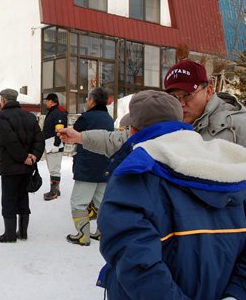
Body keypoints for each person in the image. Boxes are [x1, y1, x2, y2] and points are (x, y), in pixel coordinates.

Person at [96, 90, 246, 299]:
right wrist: (236, 293)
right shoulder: (229, 166)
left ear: (133, 130)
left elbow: (136, 262)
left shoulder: (135, 173)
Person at [58, 59, 246, 155]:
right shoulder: (168, 121)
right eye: (174, 97)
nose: (181, 103)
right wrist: (80, 137)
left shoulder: (237, 126)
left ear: (209, 90)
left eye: (187, 95)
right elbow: (121, 140)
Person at [0, 88, 45, 243]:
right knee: (23, 197)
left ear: (3, 100)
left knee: (9, 199)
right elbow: (39, 138)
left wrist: (23, 157)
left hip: (11, 166)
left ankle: (9, 235)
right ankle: (22, 233)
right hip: (27, 167)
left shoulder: (1, 117)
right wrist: (33, 155)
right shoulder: (30, 116)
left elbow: (9, 141)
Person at [67, 87, 114, 246]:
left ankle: (82, 235)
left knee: (78, 202)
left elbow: (73, 135)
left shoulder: (86, 118)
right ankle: (102, 233)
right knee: (101, 202)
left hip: (87, 166)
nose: (86, 102)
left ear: (92, 101)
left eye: (87, 99)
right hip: (105, 167)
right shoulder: (109, 118)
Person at [42, 93, 68, 201]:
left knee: (54, 169)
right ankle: (55, 190)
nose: (46, 103)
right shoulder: (52, 112)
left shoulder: (58, 113)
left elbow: (60, 130)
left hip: (54, 145)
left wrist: (56, 144)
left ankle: (54, 192)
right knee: (52, 168)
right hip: (50, 144)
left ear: (52, 101)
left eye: (47, 101)